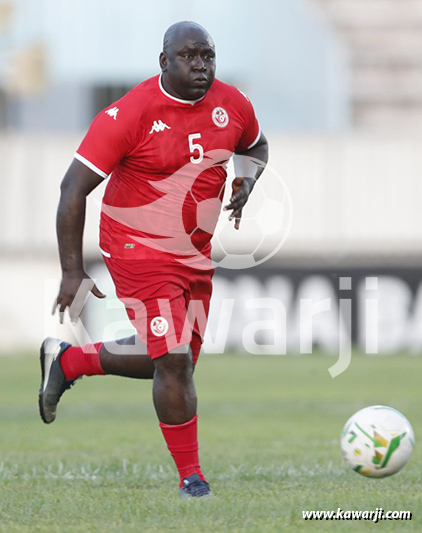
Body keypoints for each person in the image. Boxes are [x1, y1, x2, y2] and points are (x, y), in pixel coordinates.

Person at [39, 21, 269, 498]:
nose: (201, 65)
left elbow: (256, 147)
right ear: (164, 61)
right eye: (190, 56)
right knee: (176, 358)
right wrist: (71, 271)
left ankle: (69, 361)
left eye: (208, 55)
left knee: (171, 359)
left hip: (194, 253)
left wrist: (247, 180)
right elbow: (72, 189)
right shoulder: (131, 113)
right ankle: (192, 478)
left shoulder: (233, 104)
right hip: (135, 246)